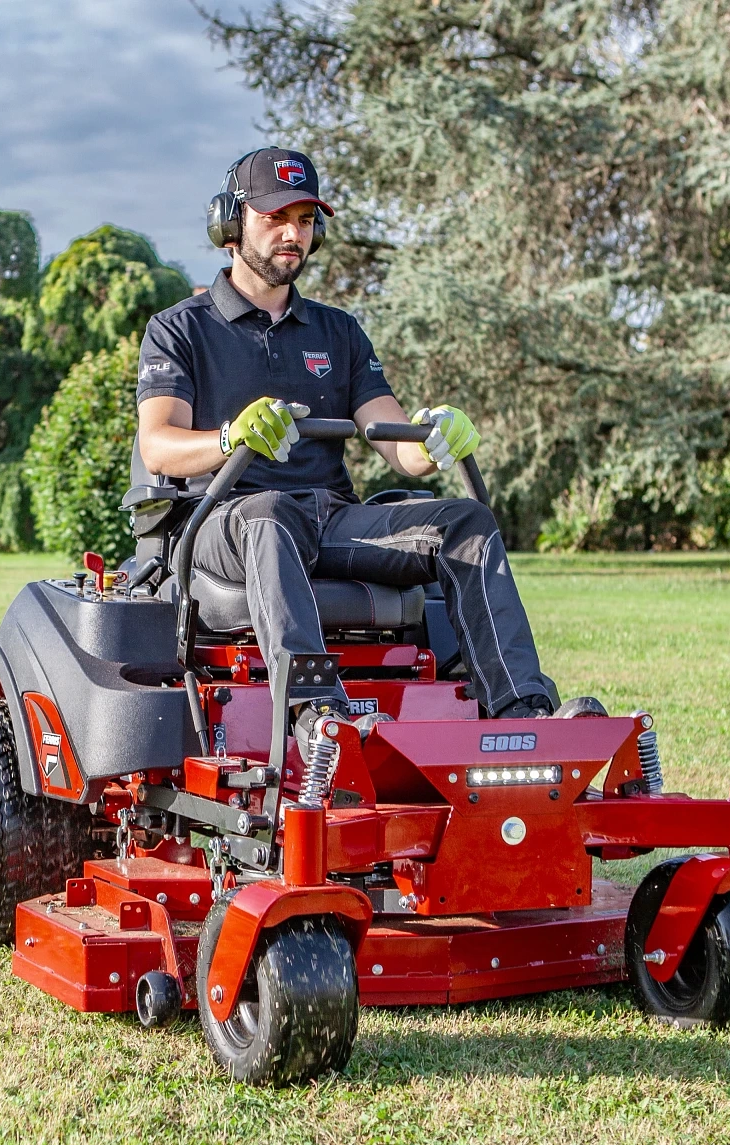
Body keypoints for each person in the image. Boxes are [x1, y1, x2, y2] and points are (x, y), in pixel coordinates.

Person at [135, 146, 560, 724]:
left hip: (329, 518)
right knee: (269, 513)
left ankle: (523, 710)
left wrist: (435, 435)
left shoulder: (338, 332)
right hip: (224, 521)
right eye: (275, 218)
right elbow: (159, 445)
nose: (293, 234)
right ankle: (318, 714)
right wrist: (231, 436)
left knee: (466, 523)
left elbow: (398, 447)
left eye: (305, 220)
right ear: (230, 224)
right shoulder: (179, 329)